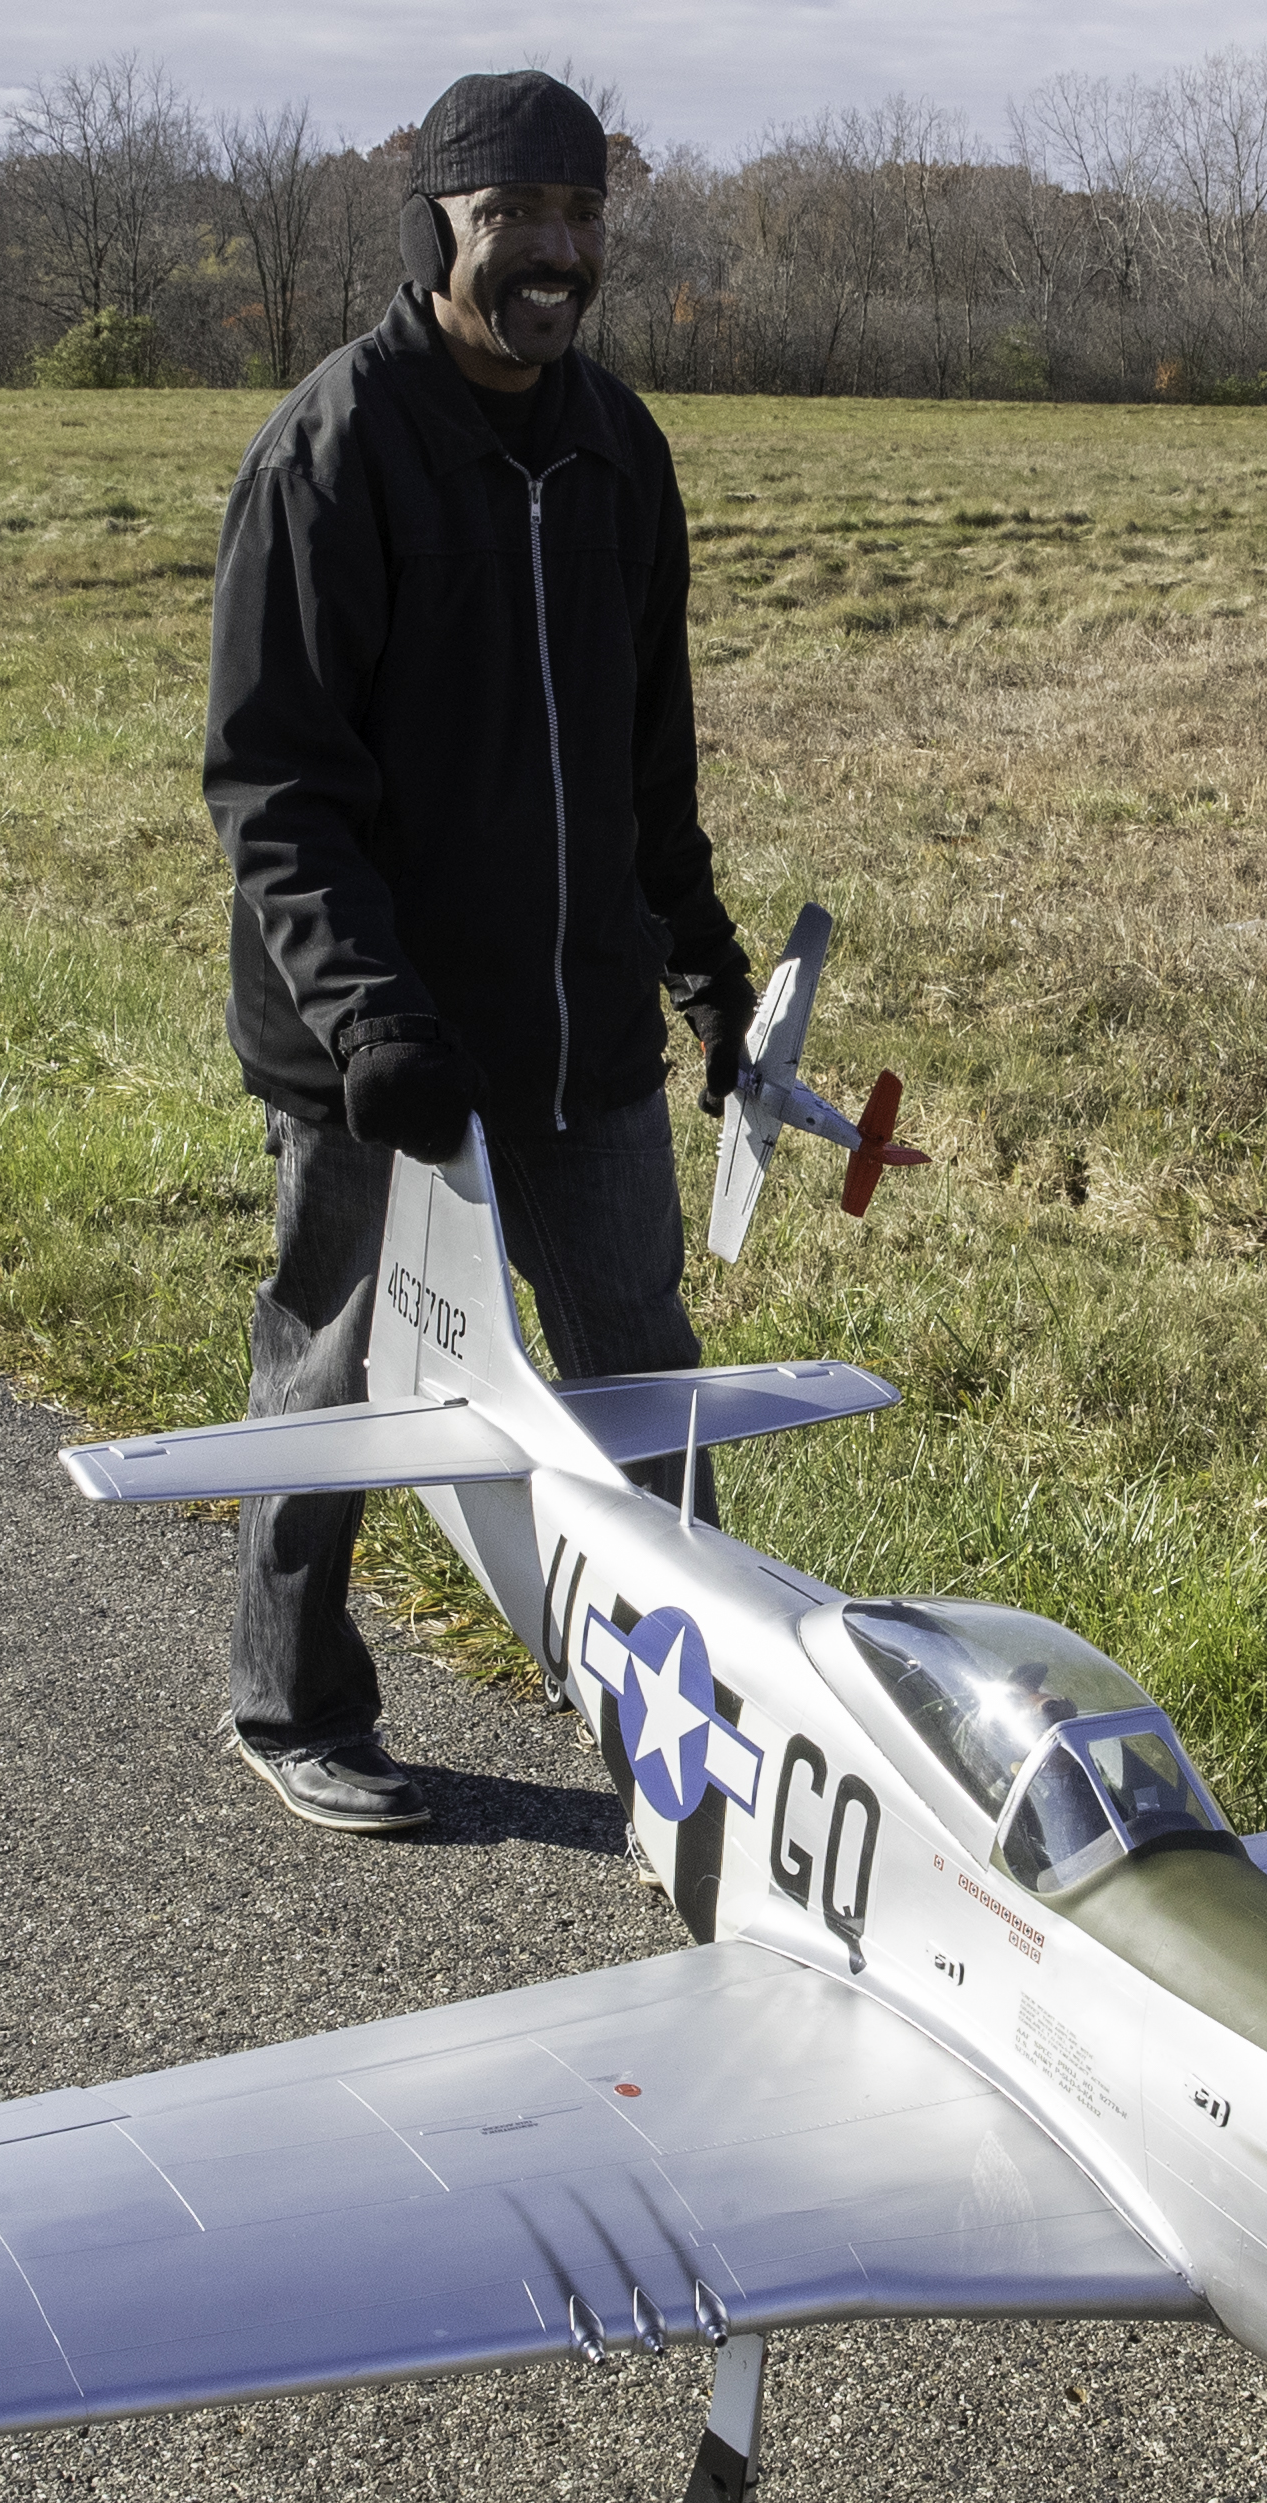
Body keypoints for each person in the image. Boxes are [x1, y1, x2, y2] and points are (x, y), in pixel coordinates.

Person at [199, 68, 754, 1834]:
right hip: (379, 1047)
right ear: (438, 221)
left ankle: (701, 1735)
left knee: (642, 1379)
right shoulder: (335, 448)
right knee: (339, 1361)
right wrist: (374, 1020)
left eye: (582, 216)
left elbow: (645, 751)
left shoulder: (617, 450)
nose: (557, 252)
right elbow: (273, 782)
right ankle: (294, 1702)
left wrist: (701, 953)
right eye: (517, 213)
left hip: (582, 1029)